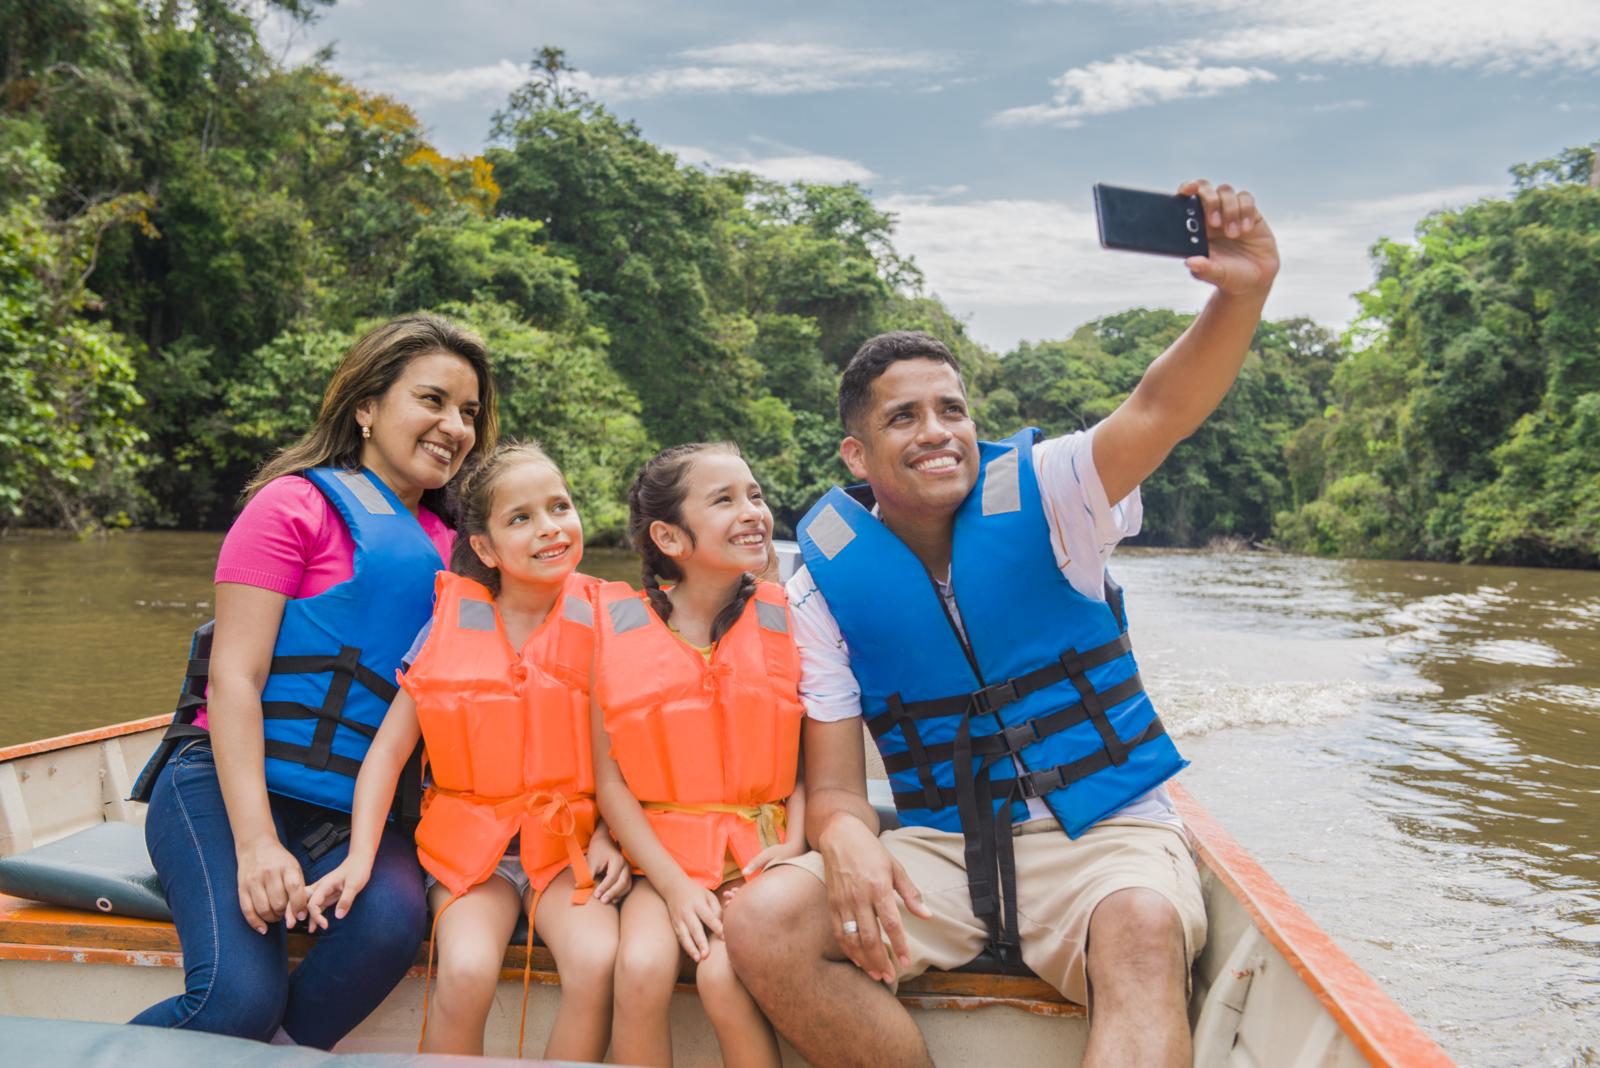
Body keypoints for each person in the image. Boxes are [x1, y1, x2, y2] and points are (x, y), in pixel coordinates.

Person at [724, 179, 1280, 1067]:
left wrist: (1240, 290)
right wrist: (843, 842)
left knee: (1141, 929)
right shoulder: (822, 589)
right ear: (857, 456)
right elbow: (833, 789)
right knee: (762, 920)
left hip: (1104, 834)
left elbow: (1159, 408)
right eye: (903, 418)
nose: (936, 431)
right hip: (944, 847)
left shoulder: (1056, 492)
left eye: (951, 409)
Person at [129, 315, 497, 1047]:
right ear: (365, 407)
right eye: (432, 400)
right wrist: (259, 844)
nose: (454, 426)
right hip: (223, 788)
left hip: (350, 814)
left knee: (392, 925)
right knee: (234, 1002)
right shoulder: (292, 507)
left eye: (469, 413)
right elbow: (234, 677)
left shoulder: (466, 552)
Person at [304, 441, 630, 1058]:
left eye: (559, 506)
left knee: (596, 963)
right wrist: (360, 856)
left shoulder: (612, 620)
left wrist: (614, 837)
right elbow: (389, 752)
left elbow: (638, 752)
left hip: (569, 849)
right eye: (521, 518)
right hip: (469, 857)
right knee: (466, 972)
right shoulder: (448, 625)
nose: (550, 528)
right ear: (484, 548)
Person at [592, 442, 807, 1068]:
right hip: (660, 859)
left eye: (755, 495)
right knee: (638, 968)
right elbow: (611, 786)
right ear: (669, 536)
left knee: (723, 978)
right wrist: (674, 885)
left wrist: (794, 846)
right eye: (724, 499)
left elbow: (814, 763)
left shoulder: (789, 617)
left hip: (763, 850)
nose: (751, 511)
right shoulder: (613, 628)